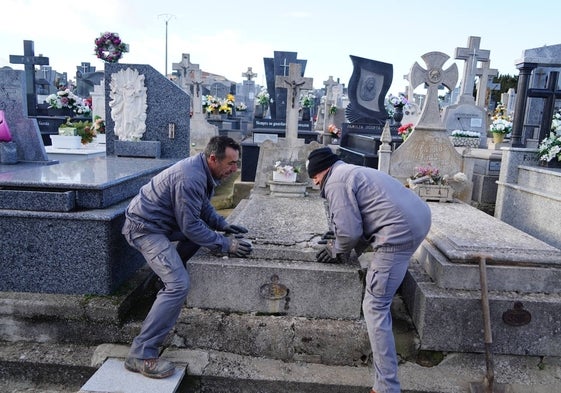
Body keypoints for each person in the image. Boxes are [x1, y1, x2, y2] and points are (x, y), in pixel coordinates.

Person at [122, 135, 253, 379]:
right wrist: (226, 245)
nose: (234, 169)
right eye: (231, 164)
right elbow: (191, 226)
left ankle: (159, 283)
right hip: (144, 229)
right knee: (178, 284)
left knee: (204, 236)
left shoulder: (201, 168)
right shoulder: (190, 177)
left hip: (162, 224)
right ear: (213, 158)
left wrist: (222, 225)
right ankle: (141, 354)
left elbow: (202, 207)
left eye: (236, 163)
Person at [306, 147, 431, 393]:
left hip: (398, 234)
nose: (316, 185)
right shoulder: (351, 171)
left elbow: (350, 232)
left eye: (315, 181)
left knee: (375, 305)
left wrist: (337, 250)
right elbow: (361, 220)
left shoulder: (335, 182)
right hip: (417, 221)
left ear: (318, 175)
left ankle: (386, 387)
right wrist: (346, 244)